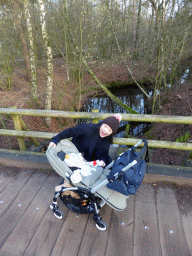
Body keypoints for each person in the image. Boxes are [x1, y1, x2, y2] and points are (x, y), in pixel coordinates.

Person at [48, 113, 122, 167]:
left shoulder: (107, 140)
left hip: (89, 162)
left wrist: (102, 161)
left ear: (112, 133)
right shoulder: (87, 128)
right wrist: (55, 139)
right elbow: (70, 132)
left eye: (109, 130)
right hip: (74, 154)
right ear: (102, 124)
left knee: (107, 161)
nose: (105, 131)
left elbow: (103, 153)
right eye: (105, 126)